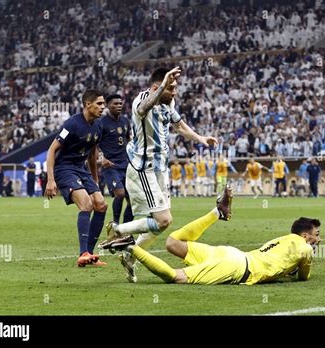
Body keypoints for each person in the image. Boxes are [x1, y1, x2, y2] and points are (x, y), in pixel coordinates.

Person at [101, 67, 218, 283]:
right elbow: (145, 107)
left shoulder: (168, 104)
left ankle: (130, 255)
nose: (174, 92)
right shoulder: (141, 100)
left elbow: (179, 126)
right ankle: (118, 230)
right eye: (170, 88)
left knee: (163, 221)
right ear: (157, 86)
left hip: (160, 168)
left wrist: (200, 138)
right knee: (163, 220)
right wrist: (164, 84)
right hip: (143, 167)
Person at [101, 185, 320, 285]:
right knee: (174, 276)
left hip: (232, 254)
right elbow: (304, 277)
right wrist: (304, 262)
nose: (318, 239)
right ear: (304, 235)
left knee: (173, 242)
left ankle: (217, 212)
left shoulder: (282, 239)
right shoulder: (304, 248)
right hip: (237, 268)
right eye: (316, 235)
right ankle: (130, 245)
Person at [45, 89, 108, 267]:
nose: (103, 107)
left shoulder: (99, 125)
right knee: (87, 204)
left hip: (82, 169)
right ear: (88, 104)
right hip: (64, 169)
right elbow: (52, 150)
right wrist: (51, 180)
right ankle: (83, 253)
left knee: (101, 205)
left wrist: (95, 179)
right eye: (99, 104)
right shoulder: (71, 124)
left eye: (103, 104)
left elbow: (92, 153)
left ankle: (89, 254)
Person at [99, 94, 134, 225]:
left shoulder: (125, 121)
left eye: (120, 104)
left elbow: (128, 139)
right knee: (119, 194)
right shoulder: (101, 123)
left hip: (126, 164)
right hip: (111, 165)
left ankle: (126, 228)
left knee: (132, 200)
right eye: (115, 104)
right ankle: (115, 224)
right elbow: (94, 144)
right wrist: (102, 158)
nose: (119, 106)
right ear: (107, 106)